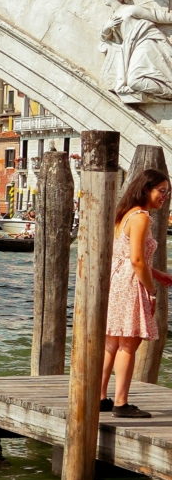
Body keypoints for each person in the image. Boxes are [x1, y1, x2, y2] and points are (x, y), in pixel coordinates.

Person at [100, 167, 172, 417]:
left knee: (111, 342)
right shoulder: (141, 217)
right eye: (161, 191)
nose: (165, 197)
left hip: (117, 281)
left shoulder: (125, 214)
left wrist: (158, 274)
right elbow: (138, 261)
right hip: (131, 284)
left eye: (167, 192)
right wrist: (151, 291)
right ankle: (121, 403)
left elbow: (126, 256)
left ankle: (101, 397)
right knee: (128, 345)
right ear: (146, 189)